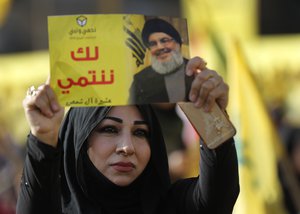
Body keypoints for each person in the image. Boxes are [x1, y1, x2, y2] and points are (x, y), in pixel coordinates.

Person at [17, 58, 239, 214]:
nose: (127, 147)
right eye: (110, 129)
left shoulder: (174, 206)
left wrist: (209, 115)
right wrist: (43, 138)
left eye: (140, 133)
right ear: (79, 139)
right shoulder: (54, 207)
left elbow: (218, 198)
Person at [129, 18, 205, 104]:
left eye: (164, 41)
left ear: (178, 43)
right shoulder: (140, 80)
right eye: (153, 44)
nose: (160, 47)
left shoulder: (196, 71)